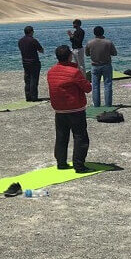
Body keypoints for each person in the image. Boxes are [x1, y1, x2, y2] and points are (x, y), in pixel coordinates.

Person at [47, 45, 93, 173]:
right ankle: (79, 165)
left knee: (61, 136)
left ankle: (61, 162)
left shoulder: (51, 71)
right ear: (70, 56)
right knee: (80, 137)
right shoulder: (74, 72)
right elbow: (87, 88)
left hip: (59, 109)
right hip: (75, 109)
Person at [85, 26, 118, 107]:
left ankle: (96, 105)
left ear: (94, 33)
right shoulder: (108, 42)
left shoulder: (90, 43)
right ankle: (108, 104)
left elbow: (87, 54)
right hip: (106, 65)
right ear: (103, 32)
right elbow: (114, 53)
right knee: (108, 85)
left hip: (95, 66)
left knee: (95, 86)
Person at [18, 26, 44, 101]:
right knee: (34, 80)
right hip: (34, 62)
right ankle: (34, 97)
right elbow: (41, 50)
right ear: (31, 32)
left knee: (27, 79)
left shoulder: (20, 41)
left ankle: (28, 96)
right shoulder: (33, 40)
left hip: (25, 62)